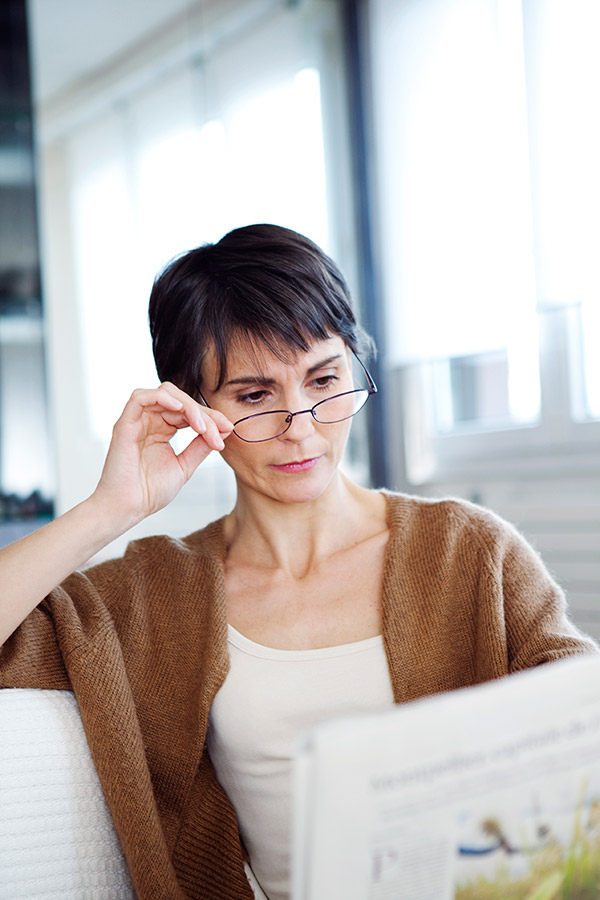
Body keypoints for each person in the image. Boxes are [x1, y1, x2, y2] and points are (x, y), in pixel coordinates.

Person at [0, 223, 597, 900]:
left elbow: (582, 727)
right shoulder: (147, 597)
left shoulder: (472, 552)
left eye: (324, 378)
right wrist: (110, 509)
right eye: (254, 397)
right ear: (194, 410)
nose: (302, 424)